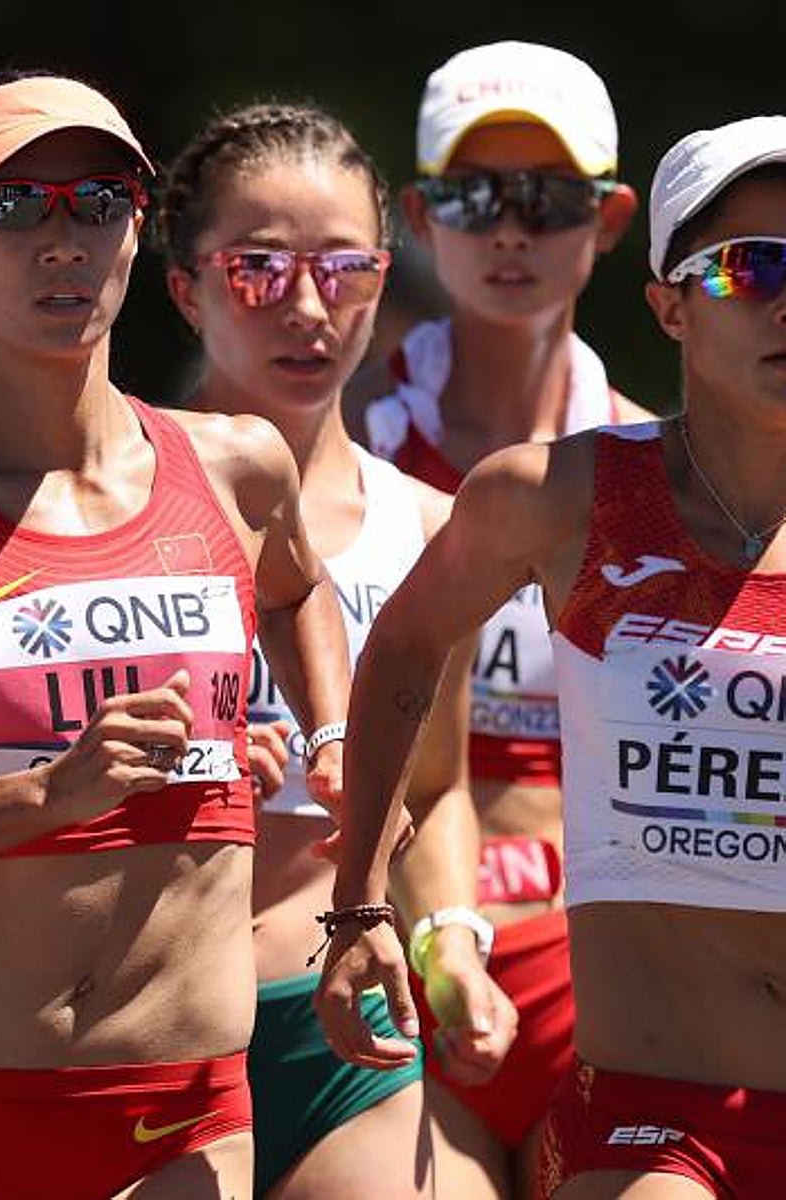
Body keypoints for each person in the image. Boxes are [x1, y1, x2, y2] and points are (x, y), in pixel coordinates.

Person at [0, 69, 354, 1200]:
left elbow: (295, 593)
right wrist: (52, 795)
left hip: (178, 1112)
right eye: (8, 207)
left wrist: (329, 730)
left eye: (97, 202)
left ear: (137, 233)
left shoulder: (237, 466)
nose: (62, 241)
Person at [317, 114, 786, 1200]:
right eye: (746, 268)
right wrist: (358, 910)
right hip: (658, 1122)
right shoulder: (557, 496)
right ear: (668, 303)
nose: (781, 298)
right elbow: (403, 651)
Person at [158, 100, 516, 1200]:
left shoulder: (429, 526)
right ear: (186, 287)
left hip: (343, 1028)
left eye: (346, 270)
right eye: (260, 270)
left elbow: (442, 784)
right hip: (134, 1030)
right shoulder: (102, 506)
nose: (309, 308)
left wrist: (452, 936)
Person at [340, 40, 647, 1199]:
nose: (511, 230)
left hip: (602, 977)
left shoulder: (658, 459)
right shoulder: (339, 447)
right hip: (387, 956)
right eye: (475, 197)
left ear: (610, 221)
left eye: (549, 199)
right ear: (419, 215)